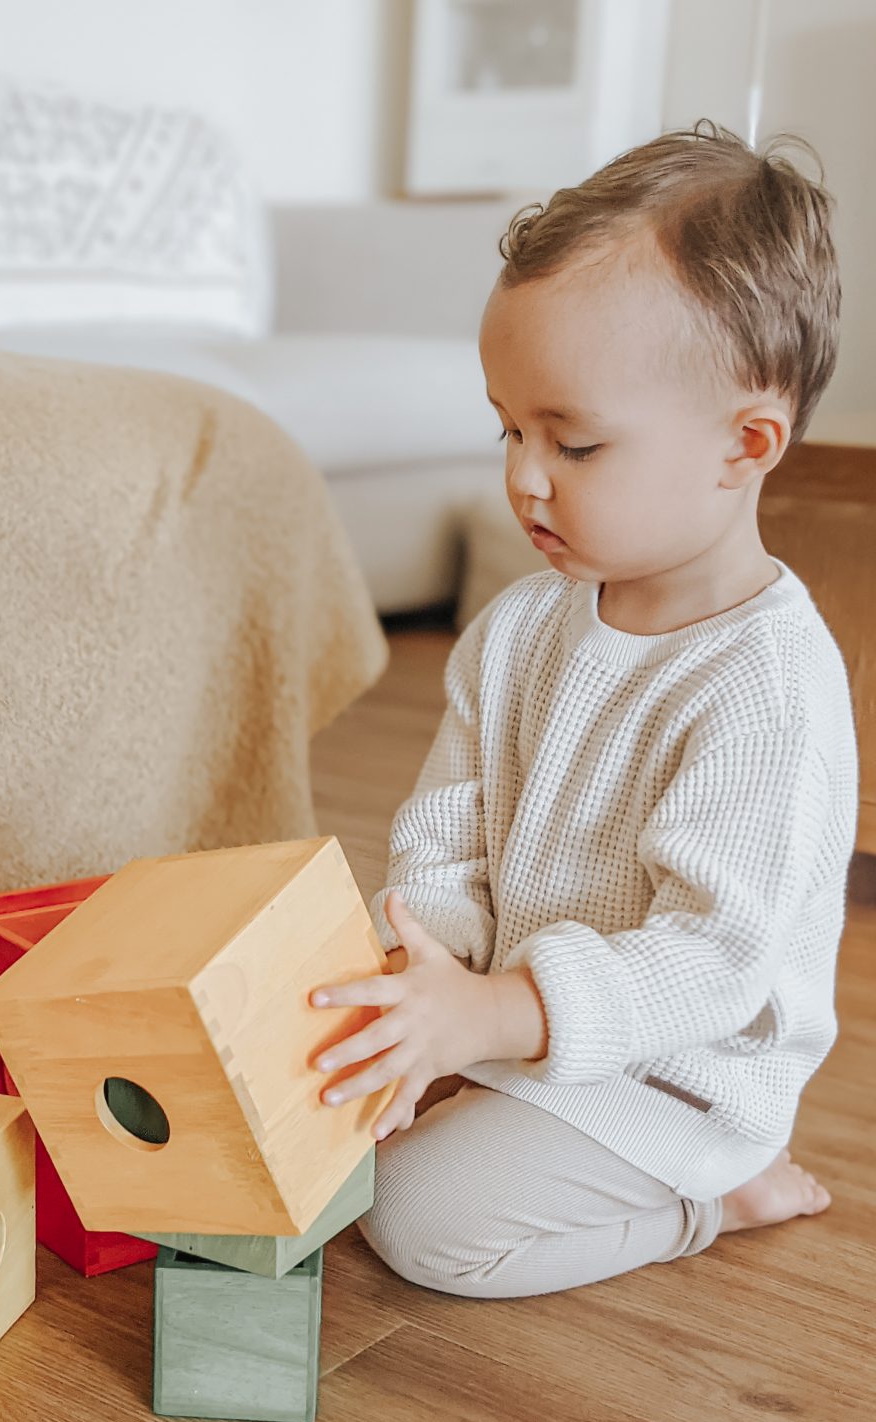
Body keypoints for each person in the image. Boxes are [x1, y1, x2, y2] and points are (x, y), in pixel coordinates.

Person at [309, 120, 859, 1299]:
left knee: (414, 1221)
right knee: (319, 1106)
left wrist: (491, 1019)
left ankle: (712, 1196)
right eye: (508, 425)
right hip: (516, 1021)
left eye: (576, 441)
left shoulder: (766, 690)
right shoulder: (519, 627)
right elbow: (446, 829)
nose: (521, 475)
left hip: (669, 1077)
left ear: (745, 445)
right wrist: (430, 975)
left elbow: (710, 964)